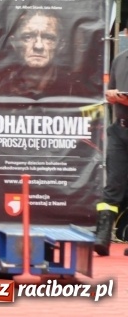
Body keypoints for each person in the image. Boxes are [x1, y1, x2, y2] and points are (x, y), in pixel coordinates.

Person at [93, 22, 128, 256]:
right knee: (113, 184)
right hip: (120, 130)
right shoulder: (120, 60)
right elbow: (112, 91)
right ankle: (102, 237)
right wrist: (112, 96)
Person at [0, 9, 67, 97]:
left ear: (60, 44)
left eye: (48, 37)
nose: (38, 46)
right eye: (28, 37)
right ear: (14, 43)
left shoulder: (73, 89)